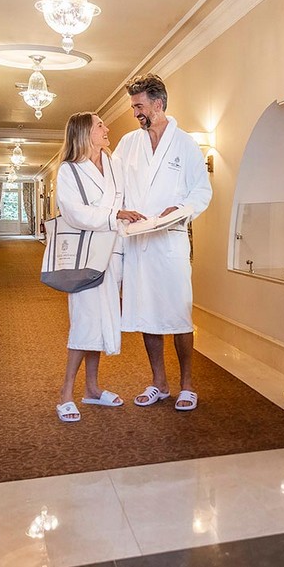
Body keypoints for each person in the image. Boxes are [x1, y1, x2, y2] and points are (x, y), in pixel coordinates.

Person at [117, 74, 212, 411]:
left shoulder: (185, 145)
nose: (135, 113)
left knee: (179, 313)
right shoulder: (128, 143)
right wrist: (117, 211)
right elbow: (115, 186)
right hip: (138, 241)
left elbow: (202, 191)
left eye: (139, 106)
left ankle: (187, 384)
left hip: (170, 241)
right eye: (133, 107)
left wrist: (181, 208)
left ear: (158, 104)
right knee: (147, 314)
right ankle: (159, 382)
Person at [55, 111, 143, 422]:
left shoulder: (113, 163)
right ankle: (65, 393)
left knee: (101, 321)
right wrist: (112, 215)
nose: (107, 129)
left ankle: (91, 388)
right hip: (85, 255)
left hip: (113, 252)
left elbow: (126, 201)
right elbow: (73, 212)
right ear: (84, 133)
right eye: (100, 125)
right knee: (84, 322)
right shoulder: (69, 170)